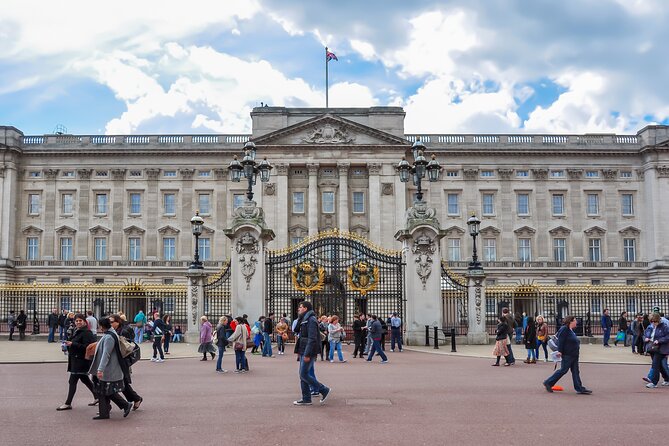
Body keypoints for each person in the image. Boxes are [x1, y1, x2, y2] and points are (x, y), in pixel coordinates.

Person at [88, 317, 133, 420]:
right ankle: (105, 413)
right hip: (108, 368)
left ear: (102, 326)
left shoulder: (109, 337)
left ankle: (125, 405)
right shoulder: (111, 334)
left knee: (106, 390)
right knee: (103, 390)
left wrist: (100, 369)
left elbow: (106, 354)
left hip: (108, 368)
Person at [56, 313, 97, 411]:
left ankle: (68, 403)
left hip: (80, 361)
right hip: (75, 359)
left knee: (72, 381)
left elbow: (88, 347)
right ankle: (97, 396)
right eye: (77, 321)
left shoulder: (87, 332)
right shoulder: (77, 330)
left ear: (84, 321)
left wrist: (73, 344)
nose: (78, 322)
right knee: (84, 379)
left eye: (80, 320)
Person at [542, 316, 592, 394]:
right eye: (575, 320)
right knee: (563, 370)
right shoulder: (564, 329)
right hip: (567, 354)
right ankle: (548, 382)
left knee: (575, 371)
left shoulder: (570, 330)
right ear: (571, 321)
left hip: (574, 354)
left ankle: (579, 388)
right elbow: (561, 340)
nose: (576, 322)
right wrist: (560, 351)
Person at [294, 301, 331, 406]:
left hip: (308, 350)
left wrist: (307, 354)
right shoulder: (305, 319)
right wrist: (300, 318)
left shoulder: (311, 320)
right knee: (302, 375)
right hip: (303, 348)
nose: (299, 309)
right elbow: (295, 329)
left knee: (303, 374)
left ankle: (323, 389)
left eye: (300, 307)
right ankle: (306, 398)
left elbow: (312, 338)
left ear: (305, 308)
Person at [109, 314, 143, 410]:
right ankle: (135, 398)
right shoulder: (116, 330)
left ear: (118, 322)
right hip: (118, 360)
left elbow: (126, 347)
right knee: (122, 382)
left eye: (112, 322)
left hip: (122, 360)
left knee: (121, 382)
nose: (110, 324)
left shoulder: (123, 331)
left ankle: (135, 399)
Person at [642, 313, 669, 388]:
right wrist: (646, 338)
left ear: (658, 320)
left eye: (655, 321)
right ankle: (667, 379)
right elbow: (645, 334)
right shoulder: (650, 327)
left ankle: (654, 382)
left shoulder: (664, 327)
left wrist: (659, 340)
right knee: (660, 366)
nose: (653, 323)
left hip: (661, 348)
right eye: (652, 321)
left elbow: (667, 336)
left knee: (655, 365)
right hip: (652, 347)